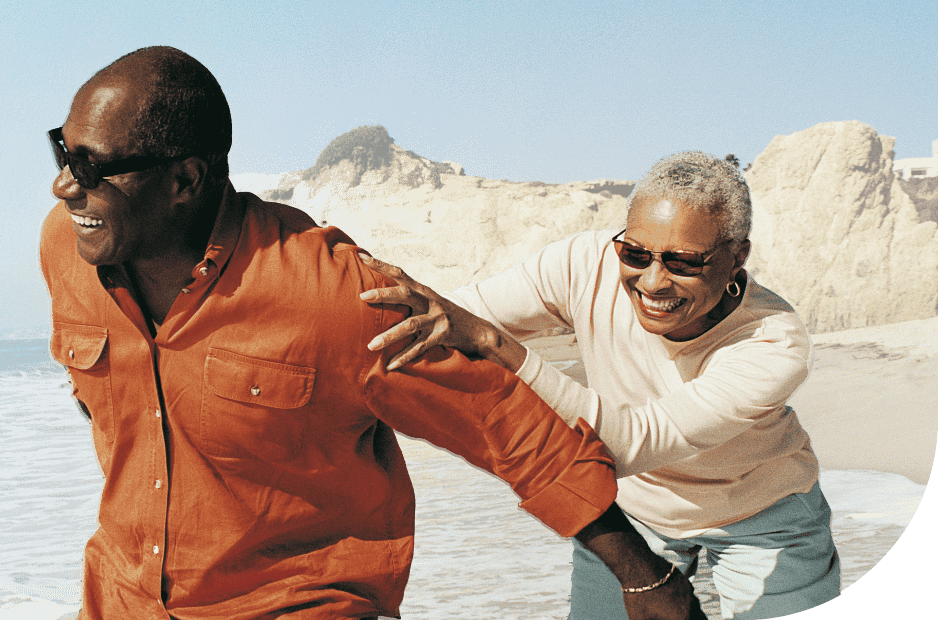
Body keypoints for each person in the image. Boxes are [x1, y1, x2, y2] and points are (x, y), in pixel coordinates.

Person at [41, 46, 698, 620]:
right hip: (119, 601)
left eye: (93, 167)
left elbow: (504, 427)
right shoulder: (67, 252)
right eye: (64, 152)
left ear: (184, 179)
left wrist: (647, 577)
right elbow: (102, 396)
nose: (64, 184)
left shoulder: (333, 294)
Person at [362, 152, 837, 619]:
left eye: (684, 263)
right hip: (631, 509)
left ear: (738, 257)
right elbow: (447, 314)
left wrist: (493, 344)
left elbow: (629, 443)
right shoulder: (585, 263)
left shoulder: (774, 342)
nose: (653, 282)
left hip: (763, 517)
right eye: (635, 253)